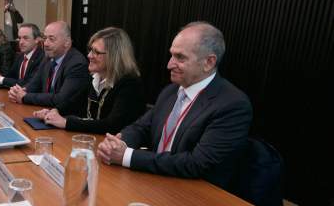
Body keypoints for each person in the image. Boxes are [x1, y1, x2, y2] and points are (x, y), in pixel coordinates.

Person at [97, 21, 252, 190]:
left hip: (193, 194)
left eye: (180, 57)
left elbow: (197, 164)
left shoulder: (232, 105)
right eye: (171, 55)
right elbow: (141, 127)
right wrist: (119, 143)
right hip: (155, 181)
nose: (169, 64)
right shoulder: (171, 91)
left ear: (209, 62)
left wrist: (127, 156)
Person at [32, 27, 145, 134]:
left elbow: (112, 125)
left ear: (114, 56)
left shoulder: (130, 84)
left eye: (96, 52)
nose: (89, 55)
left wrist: (66, 123)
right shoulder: (95, 78)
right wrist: (53, 111)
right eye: (91, 50)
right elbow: (74, 103)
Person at [8, 21, 90, 115]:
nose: (46, 44)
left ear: (67, 42)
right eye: (45, 38)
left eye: (51, 39)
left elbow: (61, 99)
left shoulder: (77, 64)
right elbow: (34, 85)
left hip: (66, 119)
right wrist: (18, 92)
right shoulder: (48, 58)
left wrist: (24, 97)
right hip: (44, 113)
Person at [0, 23, 44, 88]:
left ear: (36, 40)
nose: (21, 42)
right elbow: (11, 75)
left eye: (25, 38)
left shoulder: (42, 58)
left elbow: (28, 83)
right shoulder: (21, 56)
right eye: (19, 38)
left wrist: (0, 79)